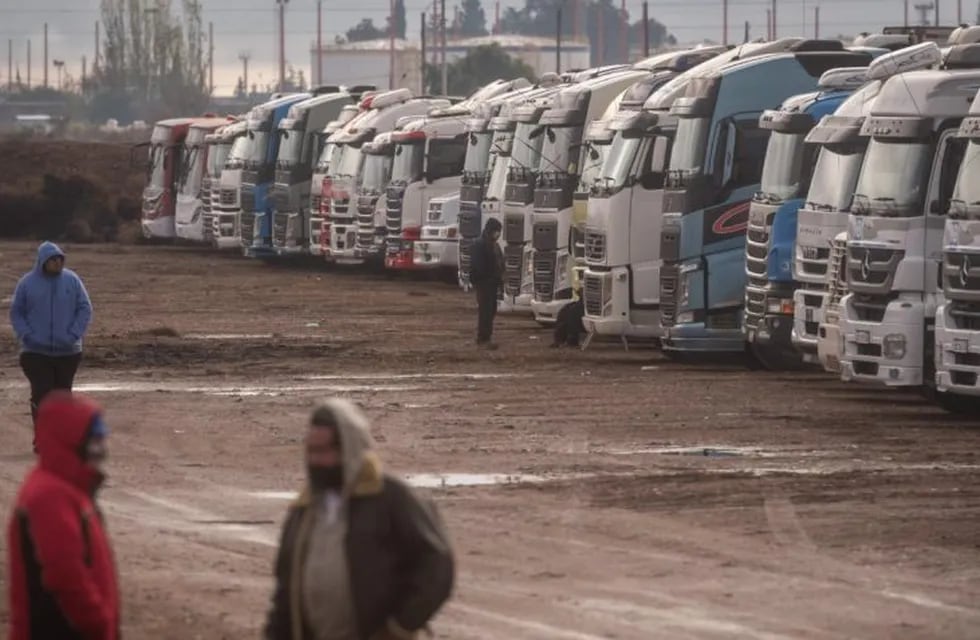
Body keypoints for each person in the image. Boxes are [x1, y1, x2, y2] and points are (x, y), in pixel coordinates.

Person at [264, 398, 455, 640]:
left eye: (324, 452)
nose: (315, 461)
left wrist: (401, 626)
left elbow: (436, 564)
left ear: (350, 449)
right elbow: (286, 596)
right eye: (311, 451)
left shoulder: (390, 499)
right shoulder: (304, 512)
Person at [6, 391, 119, 640]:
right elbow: (65, 576)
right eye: (94, 441)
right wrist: (98, 623)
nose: (102, 450)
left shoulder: (69, 491)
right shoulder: (49, 497)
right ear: (70, 442)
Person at [9, 241, 93, 444]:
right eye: (52, 260)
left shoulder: (72, 281)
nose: (57, 263)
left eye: (59, 259)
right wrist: (27, 334)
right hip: (35, 352)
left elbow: (85, 308)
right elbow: (16, 312)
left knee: (63, 396)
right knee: (42, 392)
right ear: (42, 261)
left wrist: (74, 334)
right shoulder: (27, 283)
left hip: (68, 351)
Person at [468, 217, 504, 349]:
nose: (498, 234)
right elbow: (478, 266)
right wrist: (487, 277)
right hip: (484, 283)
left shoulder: (494, 245)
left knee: (491, 310)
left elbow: (499, 262)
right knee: (485, 311)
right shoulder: (480, 244)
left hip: (492, 283)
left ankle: (486, 336)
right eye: (496, 231)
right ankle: (483, 338)